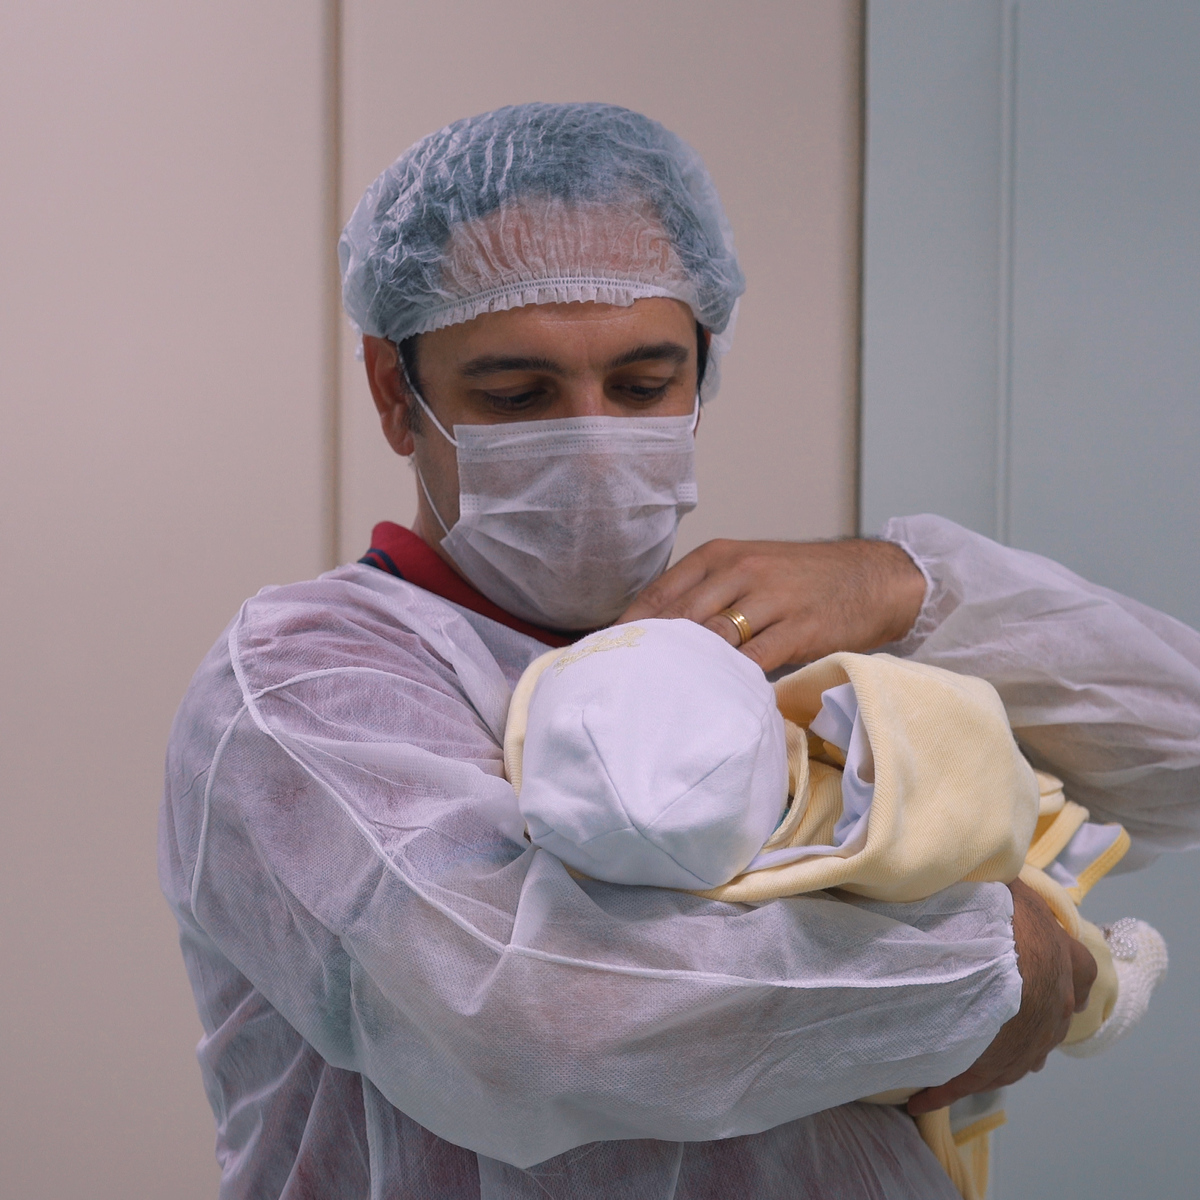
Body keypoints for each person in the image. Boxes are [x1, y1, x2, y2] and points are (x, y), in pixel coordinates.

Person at [159, 102, 1200, 1199]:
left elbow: (1181, 756)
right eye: (518, 396)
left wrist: (905, 588)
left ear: (703, 373)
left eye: (643, 386)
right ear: (394, 394)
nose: (594, 440)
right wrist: (990, 962)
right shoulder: (301, 690)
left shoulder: (792, 666)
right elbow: (528, 1021)